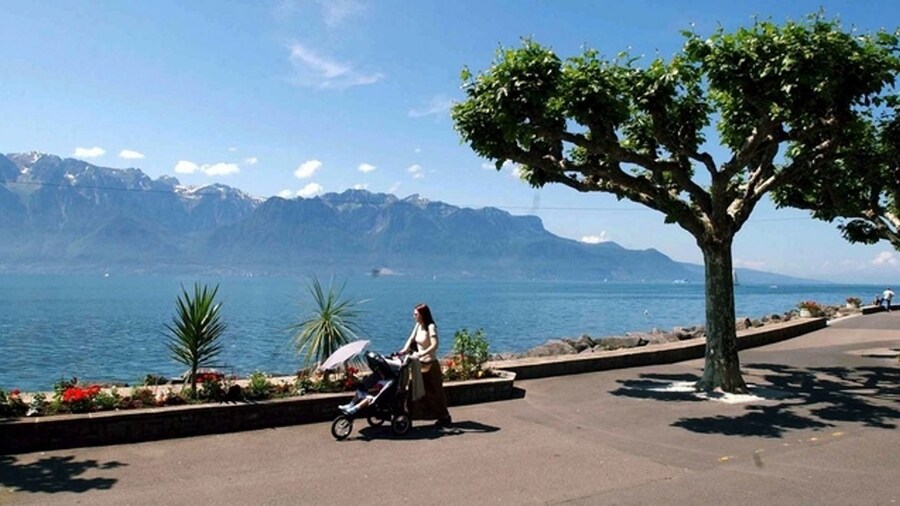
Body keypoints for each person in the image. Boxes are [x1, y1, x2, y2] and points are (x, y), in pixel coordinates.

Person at [399, 303, 452, 427]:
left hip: (430, 365)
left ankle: (444, 416)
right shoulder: (418, 325)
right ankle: (409, 415)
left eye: (416, 314)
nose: (414, 317)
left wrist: (422, 353)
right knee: (413, 389)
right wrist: (403, 350)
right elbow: (411, 339)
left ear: (423, 315)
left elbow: (435, 345)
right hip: (419, 364)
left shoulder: (430, 327)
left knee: (435, 393)